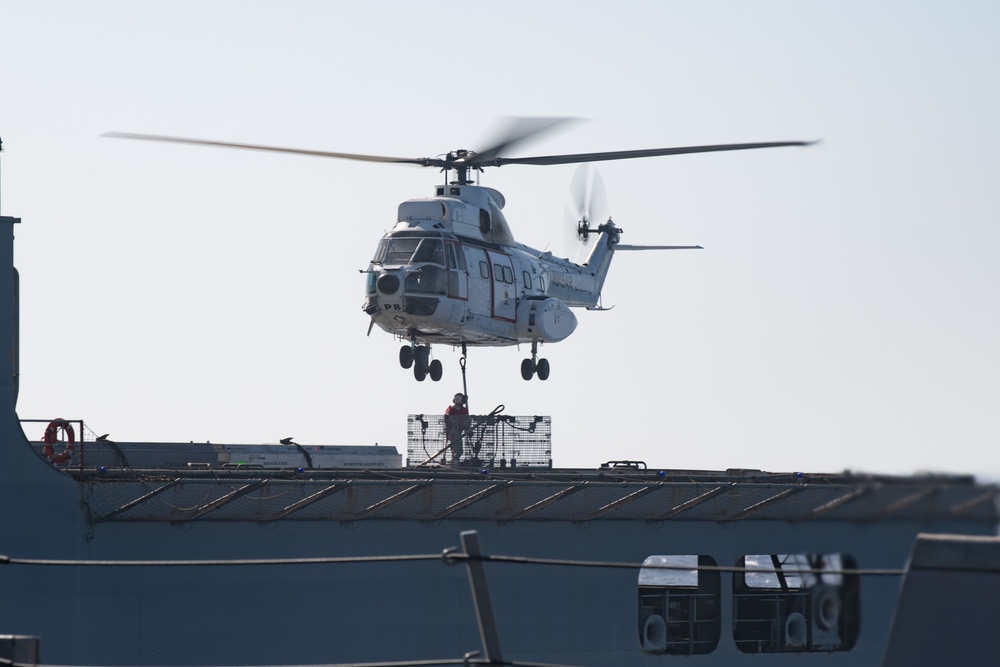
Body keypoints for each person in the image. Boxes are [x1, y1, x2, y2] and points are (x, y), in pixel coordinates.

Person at [444, 392, 468, 465]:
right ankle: (455, 461)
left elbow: (466, 420)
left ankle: (454, 460)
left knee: (456, 449)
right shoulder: (451, 409)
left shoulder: (463, 410)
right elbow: (448, 416)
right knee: (458, 450)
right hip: (453, 431)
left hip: (458, 431)